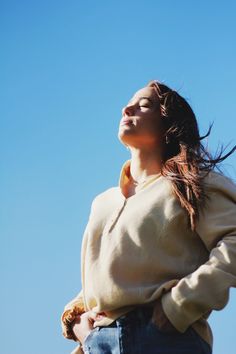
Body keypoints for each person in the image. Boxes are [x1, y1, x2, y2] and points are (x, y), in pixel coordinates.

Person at [61, 81, 236, 354]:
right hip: (98, 342)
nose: (126, 108)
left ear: (169, 125)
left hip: (165, 339)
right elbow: (115, 279)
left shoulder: (193, 183)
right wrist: (77, 320)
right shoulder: (102, 202)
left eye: (144, 105)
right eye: (128, 103)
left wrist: (179, 305)